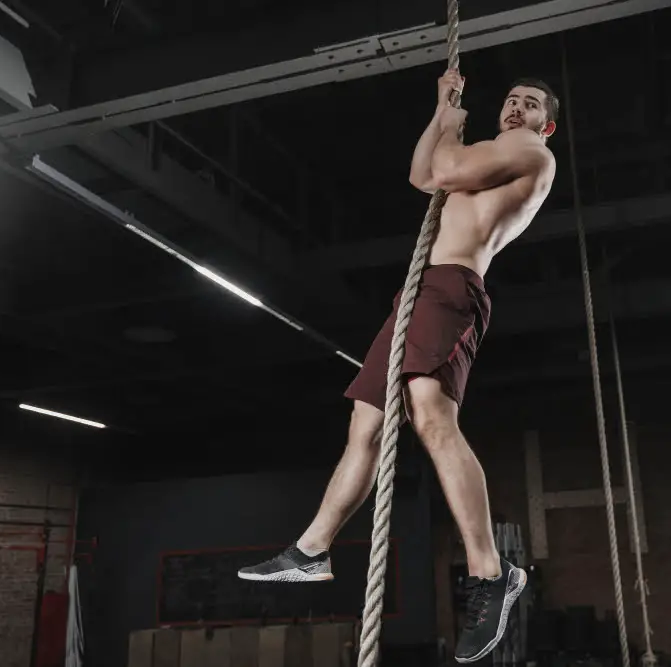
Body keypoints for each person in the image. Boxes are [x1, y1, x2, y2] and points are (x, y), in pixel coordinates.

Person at [238, 69, 558, 663]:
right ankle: (312, 550)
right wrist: (442, 109)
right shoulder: (484, 153)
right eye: (511, 99)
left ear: (548, 123)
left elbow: (439, 171)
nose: (516, 108)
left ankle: (492, 572)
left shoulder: (527, 151)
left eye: (530, 103)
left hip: (452, 289)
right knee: (365, 424)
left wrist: (451, 130)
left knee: (433, 420)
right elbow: (421, 175)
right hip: (418, 294)